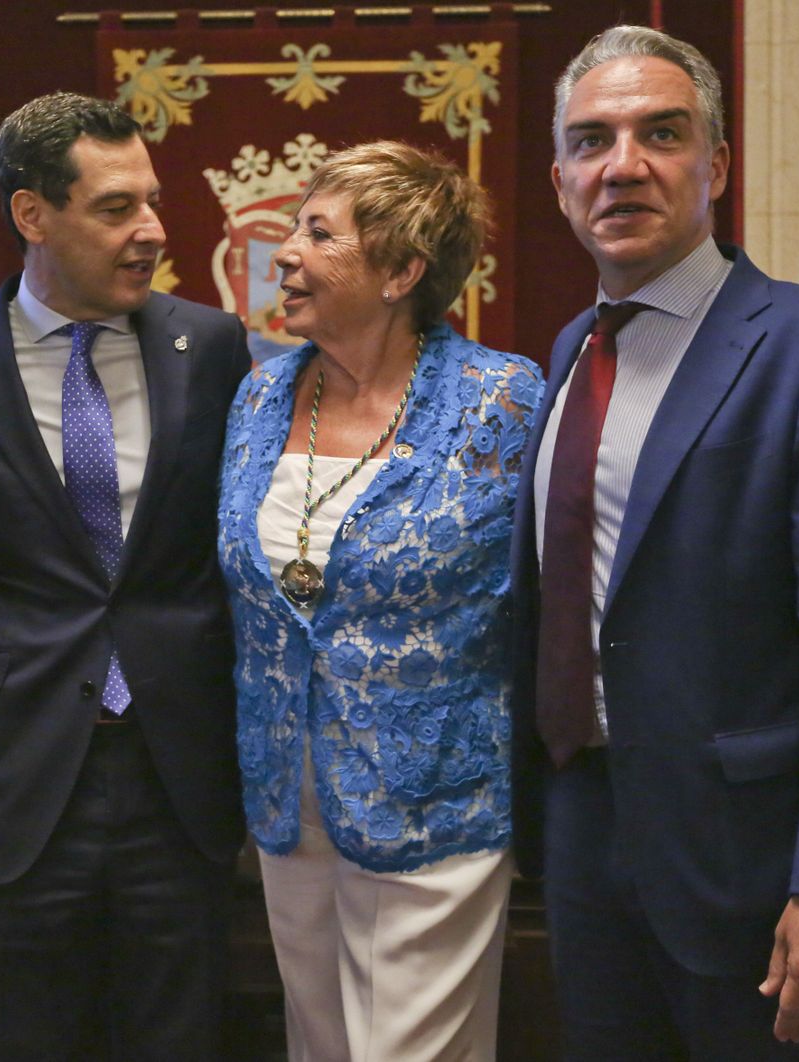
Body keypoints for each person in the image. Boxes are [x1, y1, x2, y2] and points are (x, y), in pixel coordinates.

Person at [508, 25, 799, 1059]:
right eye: (591, 141)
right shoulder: (570, 350)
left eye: (662, 134)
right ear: (560, 181)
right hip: (583, 839)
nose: (623, 166)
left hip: (754, 871)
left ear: (718, 166)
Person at [0, 91, 250, 1060]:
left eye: (152, 202)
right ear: (32, 214)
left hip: (178, 778)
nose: (152, 231)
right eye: (116, 208)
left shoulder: (213, 348)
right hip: (22, 778)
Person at [217, 140, 543, 1061]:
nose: (285, 253)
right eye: (293, 229)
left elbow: (551, 590)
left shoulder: (502, 401)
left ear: (402, 272)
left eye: (319, 234)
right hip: (288, 802)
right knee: (317, 1046)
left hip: (437, 800)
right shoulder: (259, 396)